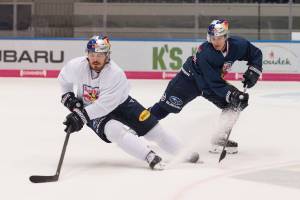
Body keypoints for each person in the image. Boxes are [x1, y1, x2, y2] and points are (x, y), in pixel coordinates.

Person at [58, 35, 199, 170]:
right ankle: (149, 156)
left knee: (154, 130)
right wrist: (68, 97)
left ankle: (182, 152)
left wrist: (80, 116)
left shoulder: (115, 73)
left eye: (100, 55)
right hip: (92, 109)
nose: (95, 59)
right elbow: (64, 79)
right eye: (92, 54)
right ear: (87, 54)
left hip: (121, 104)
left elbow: (105, 105)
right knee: (114, 130)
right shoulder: (76, 66)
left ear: (107, 56)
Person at [150, 19, 263, 154]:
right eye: (213, 38)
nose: (216, 41)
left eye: (219, 38)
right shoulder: (205, 52)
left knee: (237, 103)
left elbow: (255, 53)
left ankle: (219, 137)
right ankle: (138, 122)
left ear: (226, 36)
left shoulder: (238, 45)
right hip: (189, 81)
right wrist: (231, 93)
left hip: (210, 84)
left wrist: (254, 71)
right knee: (164, 108)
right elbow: (213, 81)